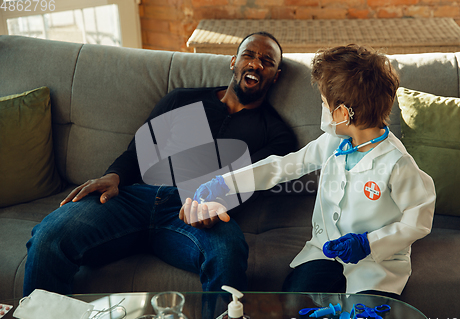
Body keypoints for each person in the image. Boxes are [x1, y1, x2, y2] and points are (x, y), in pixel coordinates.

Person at [23, 31, 296, 297]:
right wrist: (114, 175)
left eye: (267, 61)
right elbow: (137, 153)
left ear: (276, 76)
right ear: (233, 61)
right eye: (248, 55)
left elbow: (249, 179)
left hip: (196, 209)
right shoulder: (181, 99)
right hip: (133, 200)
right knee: (49, 237)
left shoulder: (277, 134)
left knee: (227, 251)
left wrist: (215, 202)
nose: (256, 64)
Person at [184, 44, 436, 298]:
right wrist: (227, 182)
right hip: (325, 251)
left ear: (341, 114)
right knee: (293, 307)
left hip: (375, 262)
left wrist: (368, 243)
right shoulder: (334, 142)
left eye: (325, 103)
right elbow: (282, 167)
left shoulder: (396, 162)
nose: (323, 109)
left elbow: (419, 218)